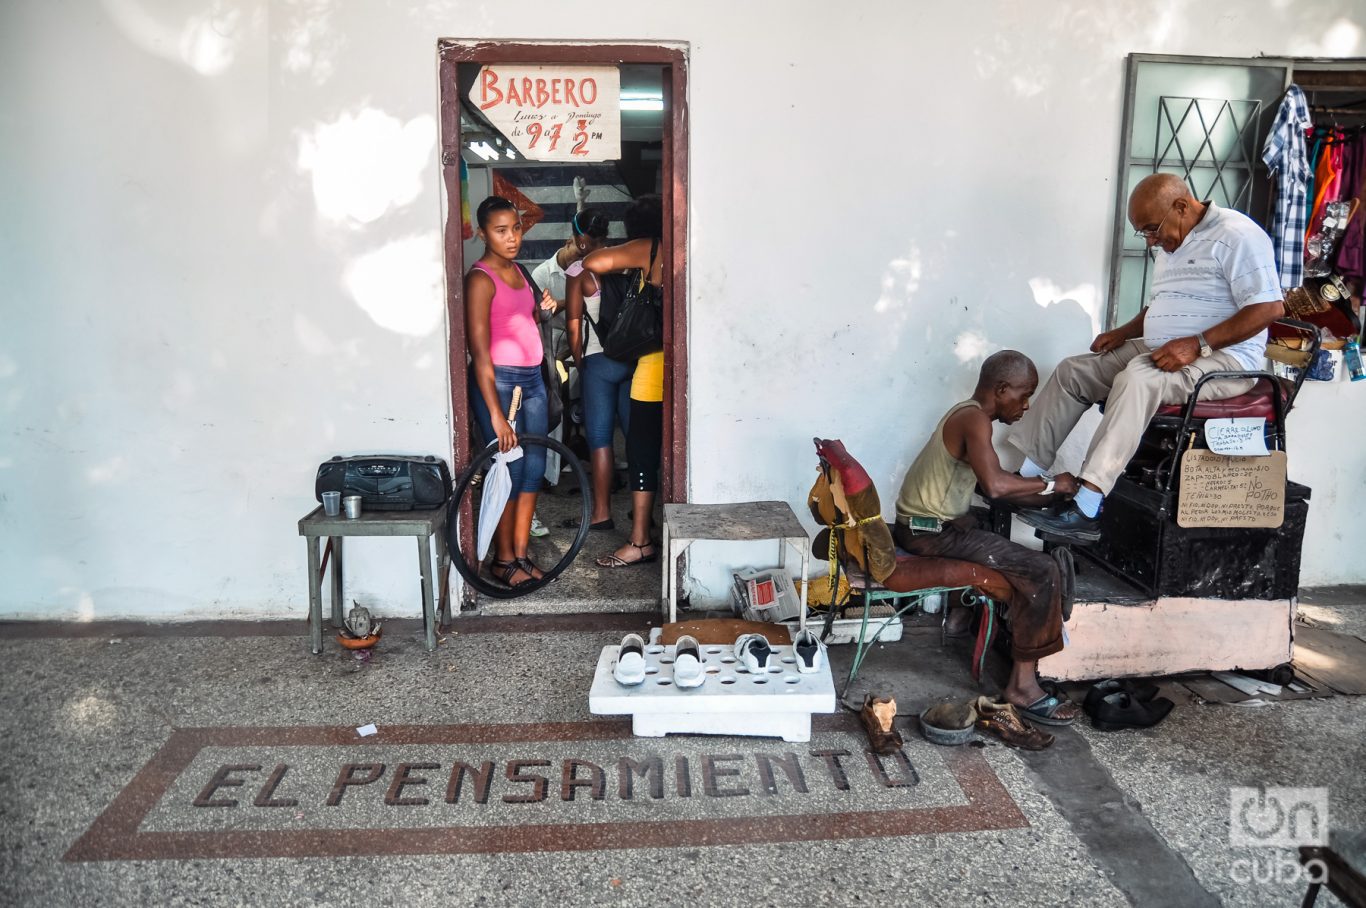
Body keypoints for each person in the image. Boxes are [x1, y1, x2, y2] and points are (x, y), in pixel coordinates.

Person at [1010, 174, 1286, 543]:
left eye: (1153, 230)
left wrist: (1198, 343)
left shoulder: (1238, 236)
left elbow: (1268, 308)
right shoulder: (1172, 244)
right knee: (1074, 372)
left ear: (1182, 206)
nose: (1152, 241)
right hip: (1168, 348)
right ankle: (1024, 481)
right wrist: (1123, 332)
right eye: (1145, 234)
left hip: (1225, 361)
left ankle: (1088, 505)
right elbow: (1163, 305)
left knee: (1138, 378)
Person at [893, 350, 1081, 725]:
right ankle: (1023, 688)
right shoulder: (973, 419)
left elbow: (993, 480)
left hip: (926, 525)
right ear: (1001, 388)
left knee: (985, 524)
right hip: (928, 534)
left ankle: (964, 619)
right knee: (1042, 570)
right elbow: (996, 486)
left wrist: (1057, 495)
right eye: (1024, 394)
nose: (1026, 405)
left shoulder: (967, 415)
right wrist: (1051, 482)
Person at [465, 196, 548, 589]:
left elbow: (523, 321)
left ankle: (520, 553)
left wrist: (544, 309)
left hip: (533, 380)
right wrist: (495, 414)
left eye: (515, 228)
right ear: (483, 234)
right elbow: (480, 354)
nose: (512, 237)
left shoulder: (519, 271)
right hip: (501, 382)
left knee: (533, 468)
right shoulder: (480, 279)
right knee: (510, 468)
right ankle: (502, 560)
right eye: (501, 230)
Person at [582, 195, 665, 568]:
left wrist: (632, 253)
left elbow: (593, 261)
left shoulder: (651, 248)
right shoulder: (690, 245)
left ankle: (640, 540)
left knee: (642, 450)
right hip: (689, 364)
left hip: (653, 365)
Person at [527, 208, 611, 536]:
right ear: (572, 239)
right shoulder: (542, 275)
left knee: (584, 402)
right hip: (555, 351)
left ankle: (573, 459)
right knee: (555, 387)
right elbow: (537, 323)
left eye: (595, 247)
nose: (589, 253)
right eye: (584, 247)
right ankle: (550, 471)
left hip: (583, 353)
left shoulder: (597, 265)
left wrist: (565, 309)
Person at [564, 208, 631, 531]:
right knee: (636, 439)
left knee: (601, 440)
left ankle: (602, 513)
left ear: (579, 238)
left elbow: (573, 326)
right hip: (632, 361)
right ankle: (642, 513)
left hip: (598, 363)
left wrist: (581, 363)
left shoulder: (579, 272)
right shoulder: (625, 262)